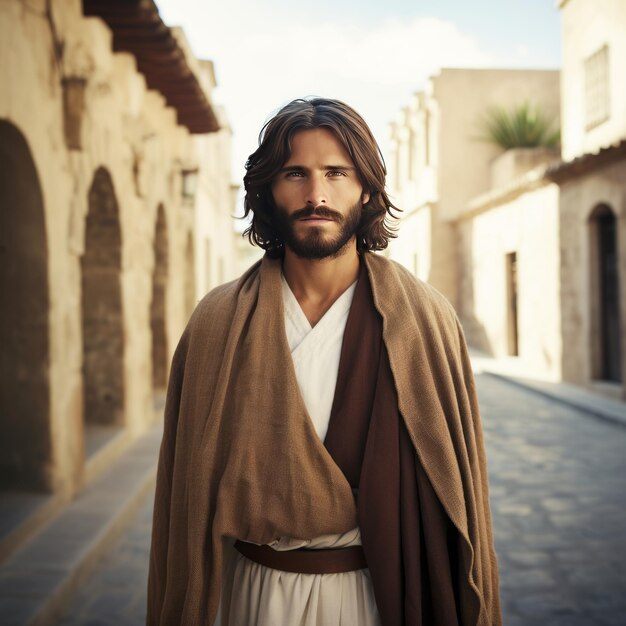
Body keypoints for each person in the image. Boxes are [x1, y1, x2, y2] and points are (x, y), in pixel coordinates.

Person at [147, 97, 501, 626]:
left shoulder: (427, 320)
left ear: (366, 187)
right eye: (296, 173)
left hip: (378, 599)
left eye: (337, 172)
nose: (317, 194)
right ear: (268, 189)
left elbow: (461, 494)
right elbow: (185, 497)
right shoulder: (217, 322)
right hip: (251, 597)